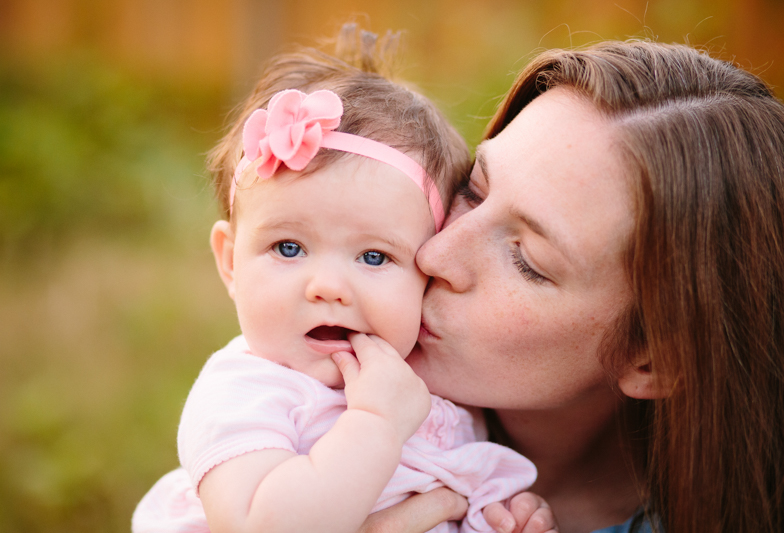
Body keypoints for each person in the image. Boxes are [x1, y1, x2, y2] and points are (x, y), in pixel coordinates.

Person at [131, 26, 545, 533]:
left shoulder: (437, 382)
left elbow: (458, 489)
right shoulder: (247, 394)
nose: (327, 286)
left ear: (429, 269)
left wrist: (504, 513)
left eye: (373, 257)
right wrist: (375, 425)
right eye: (289, 248)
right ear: (231, 263)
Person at [362, 41, 784, 533]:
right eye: (473, 191)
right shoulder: (282, 400)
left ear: (653, 358)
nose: (434, 255)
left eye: (528, 261)